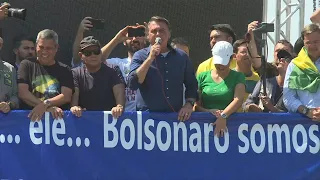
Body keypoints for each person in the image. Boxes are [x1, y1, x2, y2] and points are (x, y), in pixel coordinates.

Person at [128, 16, 198, 121]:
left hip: (175, 118)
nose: (158, 34)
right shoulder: (140, 55)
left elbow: (191, 85)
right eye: (154, 31)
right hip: (147, 118)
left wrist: (188, 105)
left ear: (169, 34)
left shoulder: (182, 57)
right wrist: (150, 58)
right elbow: (132, 84)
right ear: (148, 35)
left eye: (162, 31)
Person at [72, 17, 146, 111]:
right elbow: (96, 59)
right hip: (124, 116)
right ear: (124, 41)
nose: (134, 39)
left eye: (139, 35)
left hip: (146, 116)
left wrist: (152, 39)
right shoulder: (118, 63)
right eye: (130, 36)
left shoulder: (153, 61)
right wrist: (117, 39)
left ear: (145, 39)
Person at [17, 29, 74, 121]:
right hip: (29, 120)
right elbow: (23, 93)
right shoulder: (26, 64)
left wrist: (45, 105)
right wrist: (46, 108)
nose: (44, 51)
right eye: (41, 47)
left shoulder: (65, 69)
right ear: (36, 46)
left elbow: (66, 96)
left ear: (56, 48)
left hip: (57, 122)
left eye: (48, 48)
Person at [196, 41, 245, 137]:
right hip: (203, 128)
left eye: (224, 62)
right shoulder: (202, 76)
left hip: (233, 128)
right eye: (218, 62)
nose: (220, 66)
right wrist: (209, 112)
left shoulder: (238, 76)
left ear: (232, 58)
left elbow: (238, 99)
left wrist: (223, 116)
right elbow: (195, 105)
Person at [70, 36, 125, 118]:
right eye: (88, 53)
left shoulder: (113, 70)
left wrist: (119, 107)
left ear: (101, 53)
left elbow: (120, 103)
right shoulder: (75, 73)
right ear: (81, 55)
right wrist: (75, 107)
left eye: (96, 51)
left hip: (110, 122)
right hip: (84, 121)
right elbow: (74, 103)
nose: (93, 55)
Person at [283, 23, 320, 121]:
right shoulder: (295, 65)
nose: (312, 46)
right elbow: (288, 97)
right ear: (303, 42)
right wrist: (307, 112)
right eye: (308, 43)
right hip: (304, 125)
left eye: (316, 42)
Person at [196, 22, 261, 76]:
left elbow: (257, 64)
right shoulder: (203, 66)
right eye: (211, 38)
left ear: (229, 40)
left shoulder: (245, 60)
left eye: (217, 37)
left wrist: (250, 35)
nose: (213, 41)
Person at [232, 39, 260, 106]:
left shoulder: (259, 79)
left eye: (249, 52)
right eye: (243, 52)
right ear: (234, 56)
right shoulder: (228, 76)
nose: (247, 54)